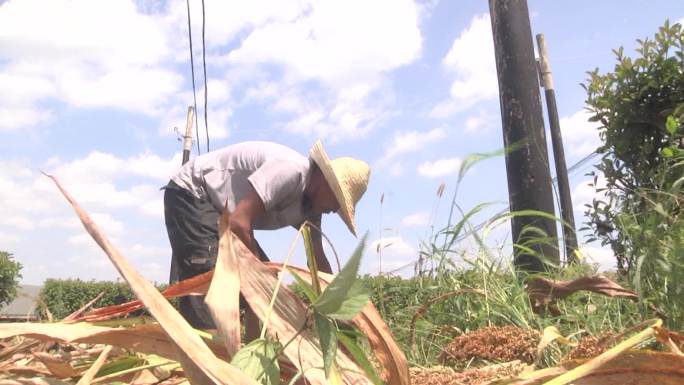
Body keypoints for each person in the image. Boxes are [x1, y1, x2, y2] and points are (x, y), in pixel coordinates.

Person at [163, 140, 370, 335]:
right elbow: (239, 221)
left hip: (223, 214)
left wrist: (335, 304)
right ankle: (209, 359)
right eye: (338, 202)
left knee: (262, 286)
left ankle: (252, 357)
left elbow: (317, 259)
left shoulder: (312, 209)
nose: (335, 210)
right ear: (326, 182)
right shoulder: (290, 172)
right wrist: (260, 275)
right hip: (193, 193)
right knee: (211, 283)